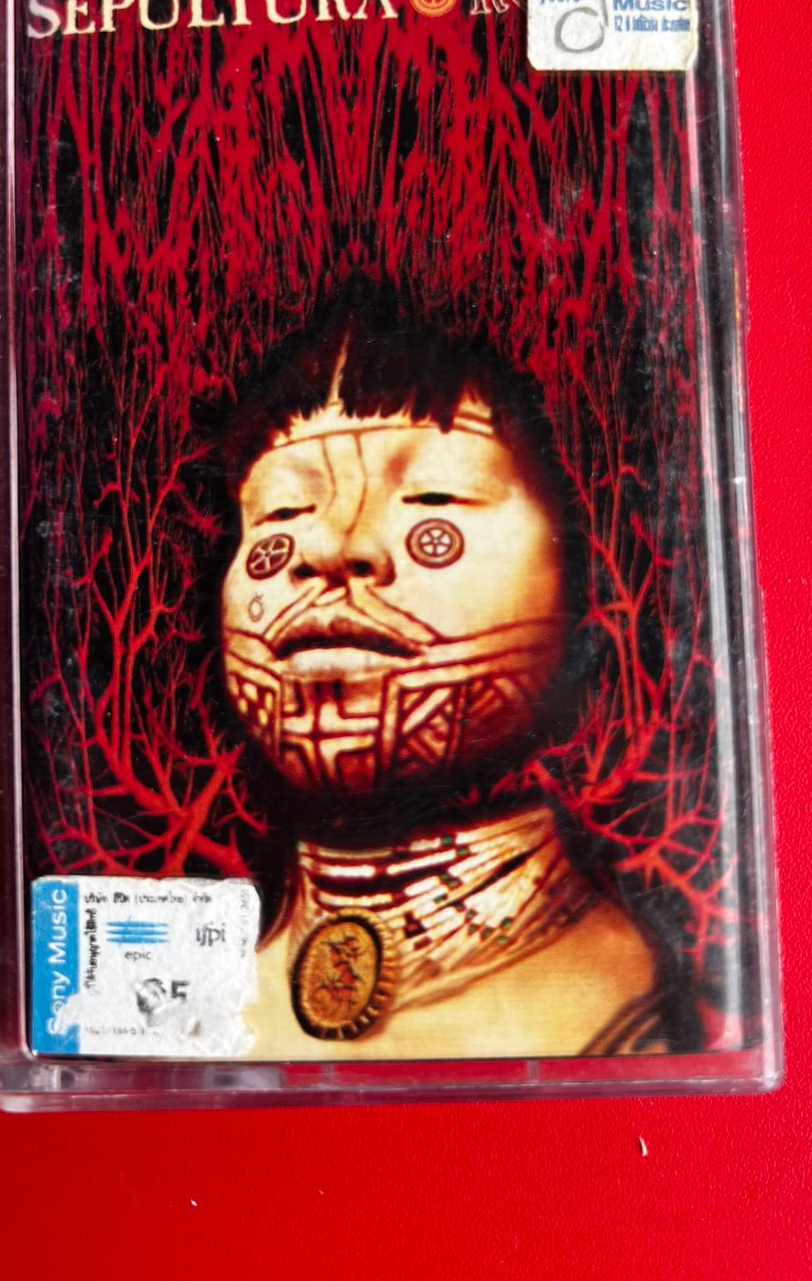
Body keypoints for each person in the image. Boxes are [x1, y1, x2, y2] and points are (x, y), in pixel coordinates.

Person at [211, 294, 670, 1058]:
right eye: (283, 509)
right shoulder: (196, 1011)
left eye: (432, 495)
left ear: (592, 565)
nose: (332, 547)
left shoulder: (645, 1022)